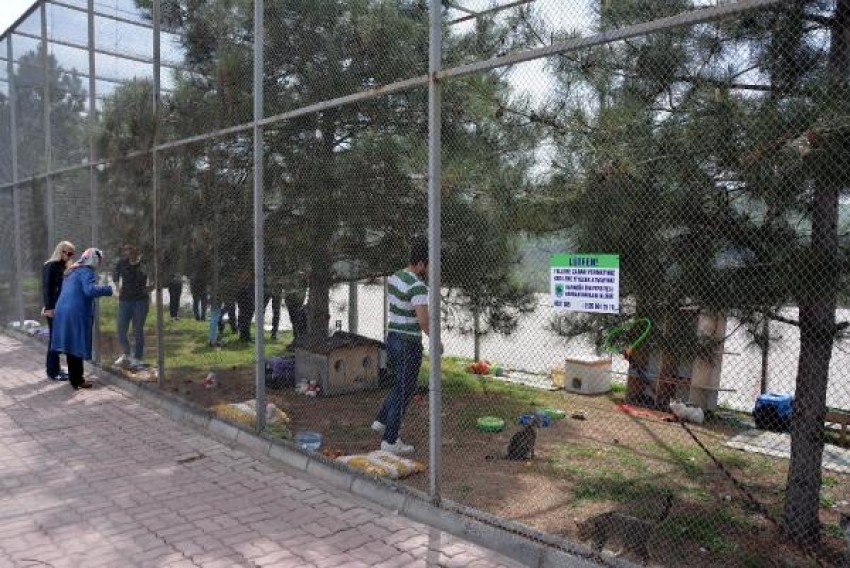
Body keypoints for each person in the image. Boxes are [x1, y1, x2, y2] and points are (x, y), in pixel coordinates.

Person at [372, 239, 437, 455]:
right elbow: (423, 320)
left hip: (393, 338)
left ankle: (382, 420)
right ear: (420, 264)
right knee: (405, 389)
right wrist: (435, 341)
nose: (429, 270)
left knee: (400, 384)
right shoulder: (417, 286)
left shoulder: (396, 277)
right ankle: (390, 441)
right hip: (409, 343)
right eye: (428, 265)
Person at [50, 248, 113, 389]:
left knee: (71, 344)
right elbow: (89, 290)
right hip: (75, 312)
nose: (101, 262)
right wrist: (109, 289)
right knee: (77, 344)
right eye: (100, 259)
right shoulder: (86, 272)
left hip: (63, 310)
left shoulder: (72, 270)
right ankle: (77, 379)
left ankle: (75, 378)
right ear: (94, 259)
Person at [112, 244, 151, 369]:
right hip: (125, 301)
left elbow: (158, 278)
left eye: (130, 249)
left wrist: (150, 288)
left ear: (137, 250)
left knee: (137, 330)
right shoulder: (122, 263)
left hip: (140, 301)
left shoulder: (145, 264)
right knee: (121, 329)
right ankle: (127, 354)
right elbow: (115, 275)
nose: (128, 252)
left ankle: (137, 358)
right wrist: (118, 288)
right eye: (126, 249)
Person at [41, 241, 75, 380]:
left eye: (70, 253)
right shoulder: (51, 265)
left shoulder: (62, 266)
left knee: (57, 340)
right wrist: (49, 307)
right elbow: (47, 288)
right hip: (54, 309)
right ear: (59, 250)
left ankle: (55, 369)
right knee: (55, 340)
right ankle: (52, 372)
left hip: (60, 307)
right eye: (65, 251)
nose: (67, 255)